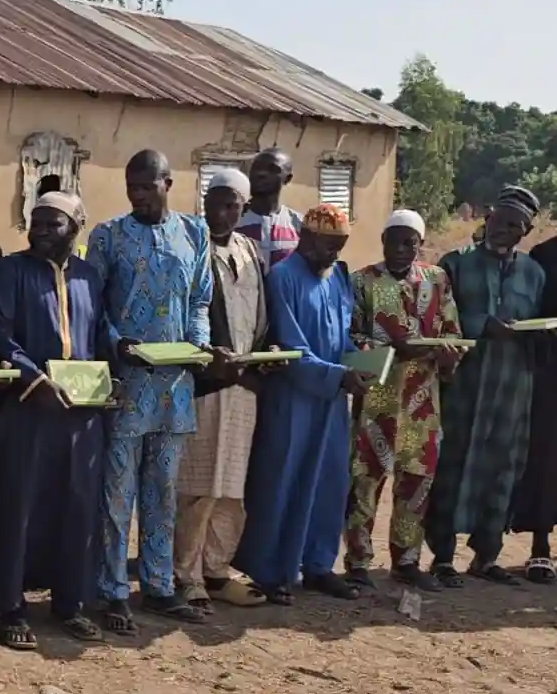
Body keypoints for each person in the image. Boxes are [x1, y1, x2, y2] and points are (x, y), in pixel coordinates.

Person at [86, 149, 212, 631]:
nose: (137, 195)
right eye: (130, 187)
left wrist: (198, 345)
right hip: (127, 384)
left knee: (162, 490)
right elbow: (91, 305)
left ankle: (159, 586)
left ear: (167, 182)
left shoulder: (194, 233)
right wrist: (118, 344)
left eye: (146, 186)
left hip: (175, 385)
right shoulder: (109, 236)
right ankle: (112, 589)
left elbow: (200, 297)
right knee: (117, 492)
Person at [0, 191, 110, 649]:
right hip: (29, 407)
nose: (38, 230)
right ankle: (9, 605)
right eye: (35, 221)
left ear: (76, 227)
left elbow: (99, 332)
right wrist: (35, 382)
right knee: (20, 505)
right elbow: (0, 335)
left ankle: (70, 603)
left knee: (77, 507)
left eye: (51, 223)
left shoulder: (90, 276)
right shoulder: (11, 271)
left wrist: (125, 348)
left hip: (80, 413)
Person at [233, 203, 373, 605]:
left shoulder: (335, 279)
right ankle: (271, 570)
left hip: (331, 401)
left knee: (329, 483)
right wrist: (337, 375)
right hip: (293, 399)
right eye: (329, 245)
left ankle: (318, 565)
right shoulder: (282, 278)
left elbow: (342, 336)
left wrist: (359, 364)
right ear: (307, 239)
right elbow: (291, 348)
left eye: (340, 246)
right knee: (283, 481)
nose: (334, 254)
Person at [428, 186, 546, 588]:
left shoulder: (534, 272)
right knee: (451, 464)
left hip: (513, 384)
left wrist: (533, 334)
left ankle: (486, 555)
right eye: (500, 220)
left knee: (503, 467)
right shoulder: (454, 264)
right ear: (488, 216)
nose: (504, 230)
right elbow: (440, 318)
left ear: (525, 232)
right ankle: (442, 556)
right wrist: (481, 324)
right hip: (465, 381)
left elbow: (538, 321)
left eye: (515, 226)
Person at [342, 210, 463, 592]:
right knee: (364, 481)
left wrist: (448, 354)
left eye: (409, 242)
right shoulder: (362, 281)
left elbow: (452, 332)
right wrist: (391, 348)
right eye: (393, 240)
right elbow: (351, 338)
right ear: (382, 241)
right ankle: (358, 561)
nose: (400, 249)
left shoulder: (436, 279)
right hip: (376, 400)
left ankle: (406, 560)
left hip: (422, 403)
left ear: (420, 244)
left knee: (416, 482)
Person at [173, 168, 270, 613]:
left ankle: (217, 568)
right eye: (216, 201)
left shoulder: (250, 250)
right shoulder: (191, 244)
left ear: (244, 207)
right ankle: (185, 573)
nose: (223, 212)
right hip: (206, 382)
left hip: (244, 382)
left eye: (232, 204)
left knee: (231, 486)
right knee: (197, 484)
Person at [512, 230, 557, 584]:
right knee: (546, 458)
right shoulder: (544, 255)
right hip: (551, 370)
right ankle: (540, 546)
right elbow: (531, 315)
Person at [236, 149, 302, 272]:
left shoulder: (298, 225)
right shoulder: (234, 221)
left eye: (272, 169)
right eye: (256, 168)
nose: (261, 173)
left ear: (287, 179)